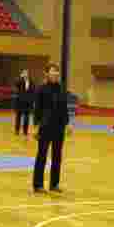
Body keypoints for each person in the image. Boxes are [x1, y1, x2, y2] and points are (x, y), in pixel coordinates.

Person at [33, 63, 72, 193]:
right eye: (53, 71)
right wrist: (36, 126)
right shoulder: (41, 89)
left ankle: (54, 184)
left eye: (57, 72)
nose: (55, 74)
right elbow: (37, 109)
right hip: (45, 127)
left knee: (57, 156)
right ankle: (38, 185)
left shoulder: (61, 88)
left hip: (59, 127)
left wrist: (68, 124)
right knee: (42, 156)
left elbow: (64, 108)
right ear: (46, 74)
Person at [15, 69, 33, 135]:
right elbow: (16, 84)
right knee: (18, 117)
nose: (26, 74)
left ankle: (25, 131)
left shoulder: (31, 81)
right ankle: (17, 130)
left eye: (27, 73)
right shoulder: (20, 80)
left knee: (27, 118)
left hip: (28, 103)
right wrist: (21, 77)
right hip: (20, 102)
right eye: (24, 73)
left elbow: (33, 90)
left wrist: (32, 100)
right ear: (22, 74)